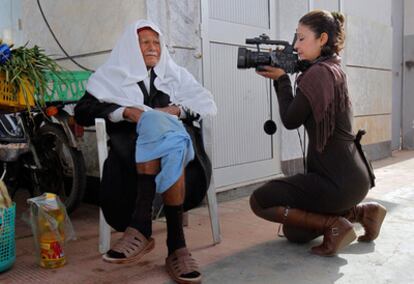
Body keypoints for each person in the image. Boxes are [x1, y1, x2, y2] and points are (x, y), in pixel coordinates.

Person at [74, 20, 216, 283]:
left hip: (179, 149)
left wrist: (176, 110)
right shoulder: (112, 75)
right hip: (131, 152)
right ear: (131, 46)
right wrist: (124, 111)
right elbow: (82, 111)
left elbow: (204, 101)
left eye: (156, 42)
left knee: (167, 138)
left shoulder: (176, 74)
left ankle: (142, 226)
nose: (153, 48)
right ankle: (177, 245)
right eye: (145, 42)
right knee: (154, 130)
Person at [249, 10, 386, 256]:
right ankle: (363, 213)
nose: (296, 45)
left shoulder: (318, 74)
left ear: (322, 39)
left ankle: (334, 224)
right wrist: (287, 68)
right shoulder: (332, 68)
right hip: (355, 178)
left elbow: (290, 119)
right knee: (296, 233)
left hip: (335, 183)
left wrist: (281, 80)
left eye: (302, 39)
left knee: (259, 200)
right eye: (295, 38)